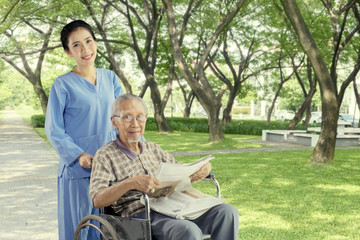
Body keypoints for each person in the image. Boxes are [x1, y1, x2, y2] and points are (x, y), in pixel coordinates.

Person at [89, 94, 239, 240]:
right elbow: (97, 199)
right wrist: (131, 183)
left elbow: (180, 170)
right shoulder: (105, 155)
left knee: (227, 212)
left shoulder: (153, 149)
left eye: (140, 117)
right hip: (142, 215)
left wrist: (202, 168)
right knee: (187, 230)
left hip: (174, 205)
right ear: (114, 122)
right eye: (127, 117)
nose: (135, 123)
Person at [45, 20, 124, 240]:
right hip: (79, 172)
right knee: (81, 230)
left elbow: (125, 120)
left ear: (95, 42)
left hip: (111, 168)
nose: (85, 49)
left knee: (111, 231)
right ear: (68, 52)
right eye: (77, 45)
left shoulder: (110, 78)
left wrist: (141, 149)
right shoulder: (62, 85)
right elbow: (54, 130)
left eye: (88, 41)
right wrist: (78, 155)